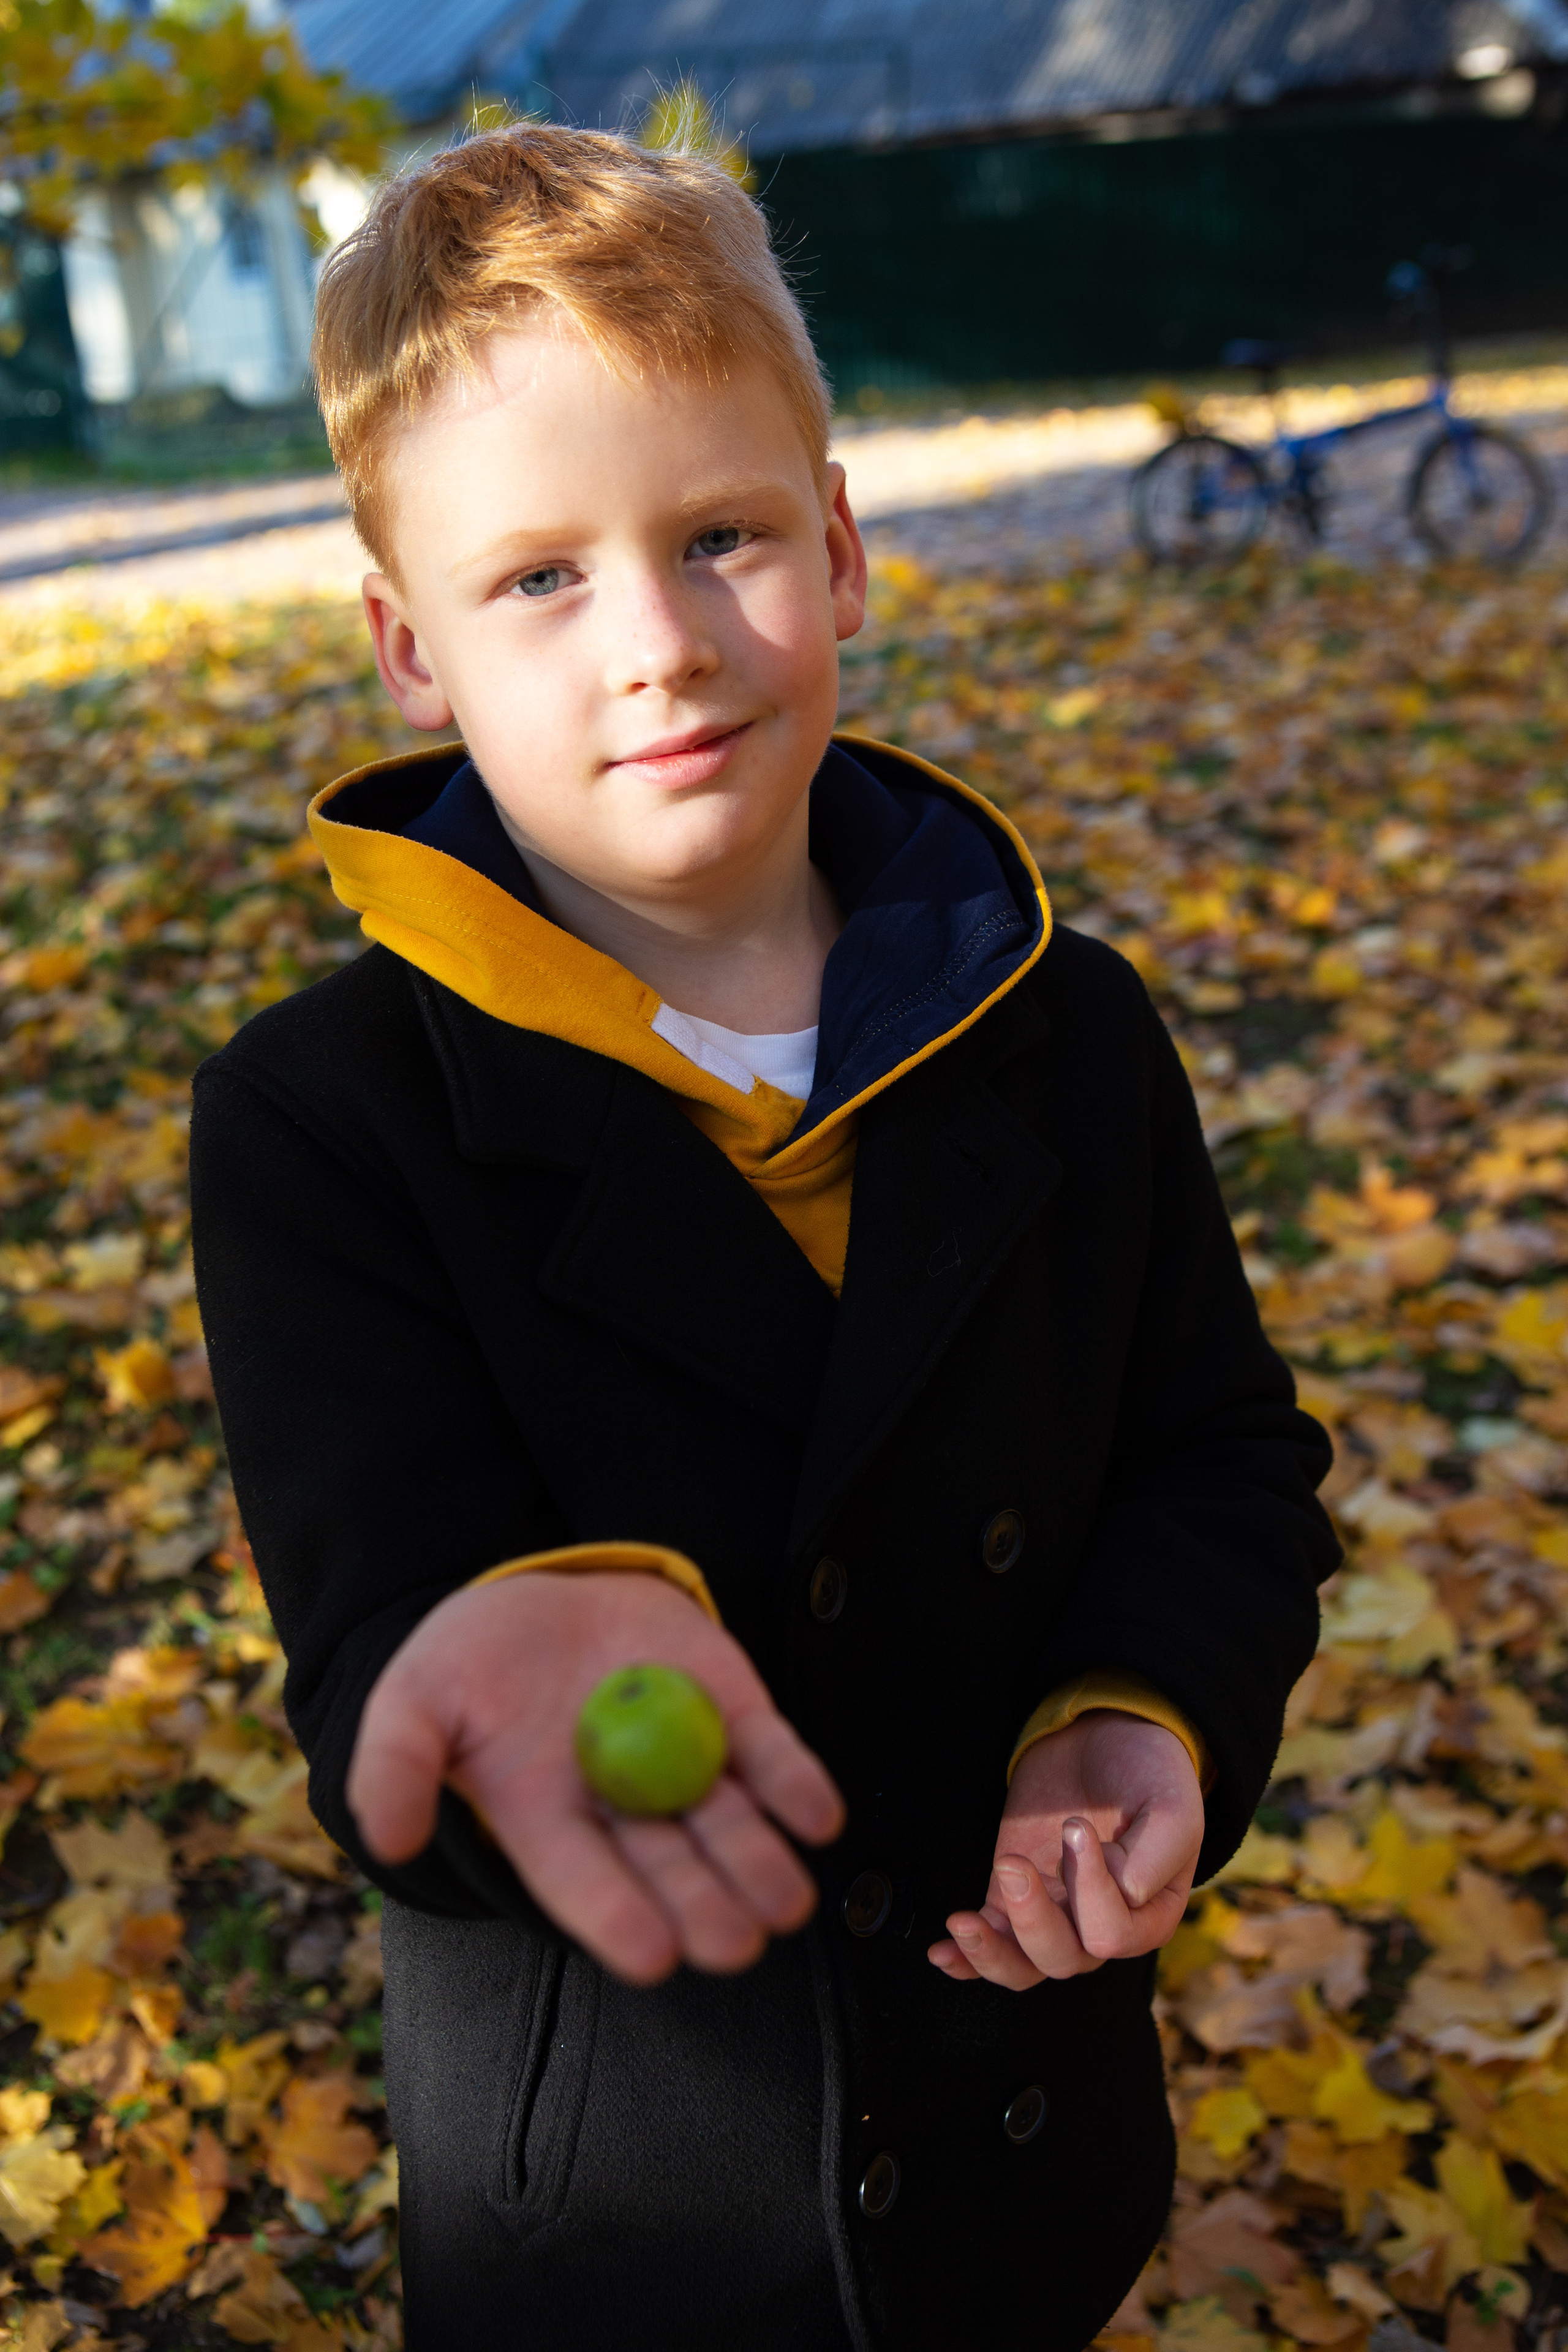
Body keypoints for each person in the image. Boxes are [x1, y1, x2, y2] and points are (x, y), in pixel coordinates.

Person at [189, 120, 1338, 2352]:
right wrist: (484, 1649)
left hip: (1018, 2115)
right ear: (405, 647)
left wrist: (1145, 1713)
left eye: (722, 535)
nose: (661, 647)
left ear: (839, 541)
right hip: (629, 2216)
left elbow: (1222, 1458)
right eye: (538, 578)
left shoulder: (1060, 1030)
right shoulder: (323, 1123)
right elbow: (386, 1644)